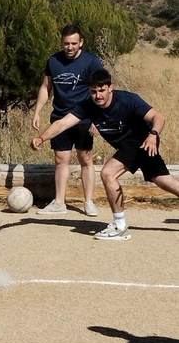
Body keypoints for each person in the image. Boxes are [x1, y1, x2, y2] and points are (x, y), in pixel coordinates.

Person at [31, 68, 179, 240]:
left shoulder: (128, 100)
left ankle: (119, 225)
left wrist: (153, 135)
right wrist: (42, 138)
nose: (98, 96)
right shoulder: (88, 106)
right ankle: (119, 224)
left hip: (142, 141)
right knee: (164, 180)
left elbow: (158, 117)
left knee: (108, 173)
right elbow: (63, 123)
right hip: (134, 147)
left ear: (110, 88)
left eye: (101, 90)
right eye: (93, 92)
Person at [32, 24, 103, 216]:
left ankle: (88, 202)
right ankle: (59, 203)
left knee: (85, 158)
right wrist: (37, 111)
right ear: (61, 43)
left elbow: (101, 92)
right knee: (60, 159)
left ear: (81, 43)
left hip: (84, 117)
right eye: (66, 43)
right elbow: (46, 88)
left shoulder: (92, 62)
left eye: (73, 43)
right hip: (59, 117)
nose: (69, 47)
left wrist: (98, 118)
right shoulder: (53, 61)